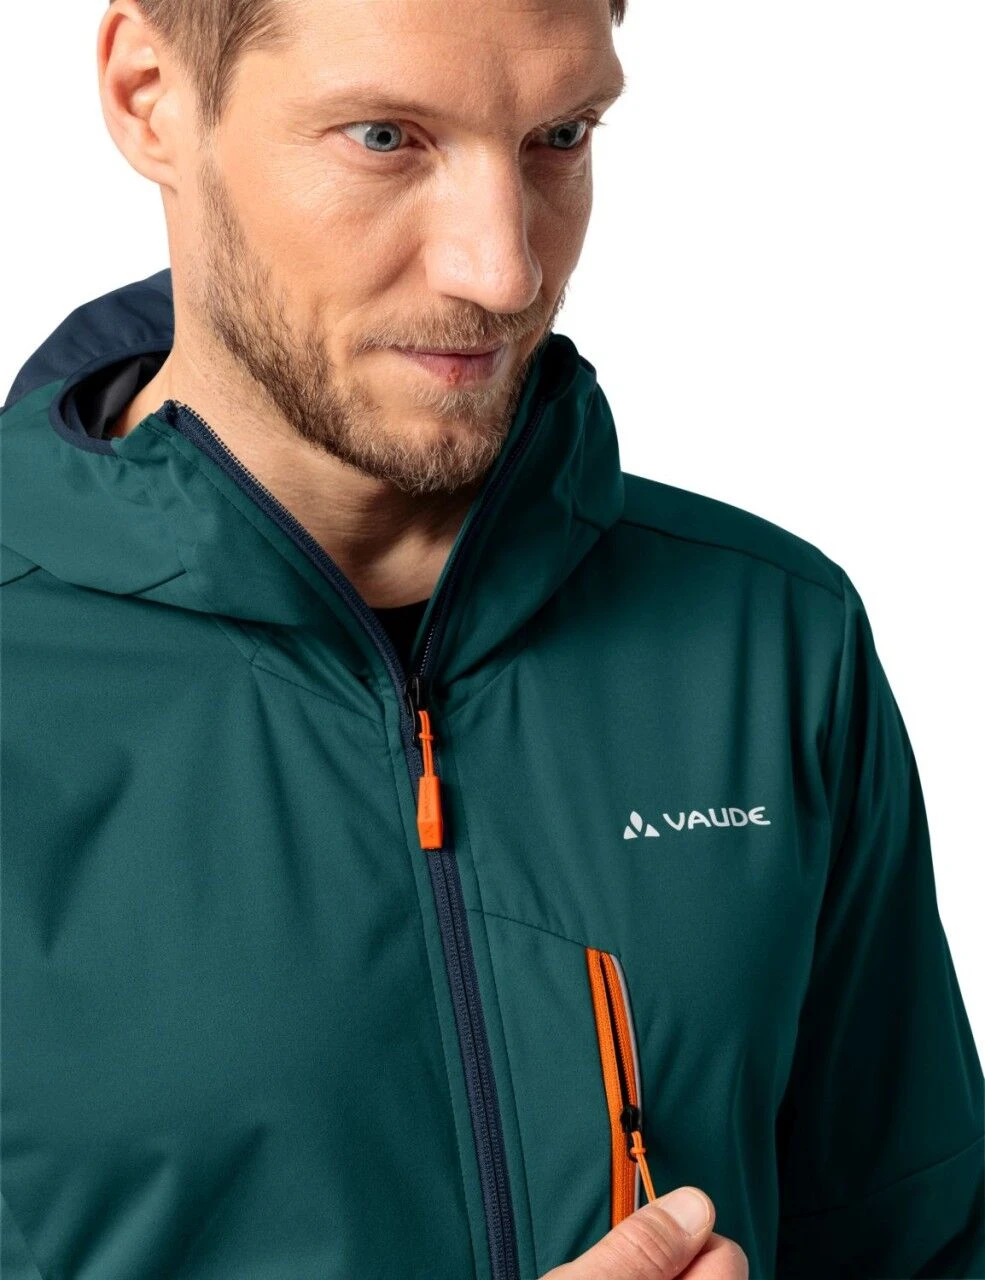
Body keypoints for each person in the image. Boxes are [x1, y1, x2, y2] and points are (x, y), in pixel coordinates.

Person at [1, 0, 981, 1276]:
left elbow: (920, 1243)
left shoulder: (771, 636)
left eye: (558, 136)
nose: (503, 271)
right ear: (151, 97)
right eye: (384, 137)